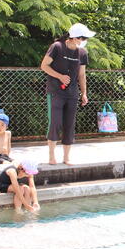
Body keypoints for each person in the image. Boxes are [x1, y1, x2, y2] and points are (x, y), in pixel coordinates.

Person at [40, 22, 94, 165]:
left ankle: (66, 157)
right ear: (74, 37)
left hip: (72, 93)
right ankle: (52, 156)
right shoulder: (57, 47)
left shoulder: (82, 53)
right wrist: (60, 76)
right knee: (55, 123)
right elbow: (44, 66)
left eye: (85, 38)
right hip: (55, 92)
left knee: (69, 125)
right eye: (82, 38)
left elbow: (81, 75)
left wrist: (84, 93)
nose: (84, 41)